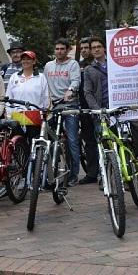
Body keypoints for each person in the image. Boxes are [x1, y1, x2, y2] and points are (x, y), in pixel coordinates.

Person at [44, 38, 82, 186]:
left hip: (69, 105)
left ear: (67, 50)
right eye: (57, 49)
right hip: (53, 107)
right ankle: (50, 172)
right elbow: (45, 85)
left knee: (72, 140)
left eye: (62, 49)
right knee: (49, 139)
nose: (59, 51)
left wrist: (70, 91)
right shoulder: (48, 66)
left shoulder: (73, 64)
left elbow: (75, 81)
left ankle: (73, 174)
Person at [5, 50, 50, 139]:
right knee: (18, 145)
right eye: (23, 59)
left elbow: (46, 97)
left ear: (34, 61)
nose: (25, 61)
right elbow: (9, 98)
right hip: (17, 116)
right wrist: (9, 114)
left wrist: (44, 114)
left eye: (28, 59)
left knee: (33, 145)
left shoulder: (41, 77)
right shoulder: (14, 76)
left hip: (34, 116)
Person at [77, 37, 99, 185]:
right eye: (82, 48)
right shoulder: (77, 66)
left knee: (103, 140)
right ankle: (92, 173)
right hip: (84, 109)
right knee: (89, 141)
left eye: (87, 48)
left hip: (99, 107)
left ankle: (107, 170)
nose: (85, 50)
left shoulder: (98, 64)